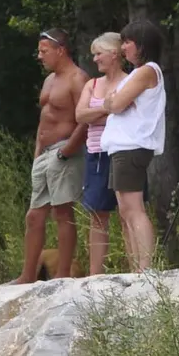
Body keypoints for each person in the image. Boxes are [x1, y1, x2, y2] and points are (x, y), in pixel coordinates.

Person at [18, 30, 89, 283]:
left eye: (44, 51)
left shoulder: (77, 78)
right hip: (44, 154)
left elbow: (86, 118)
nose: (40, 56)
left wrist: (68, 149)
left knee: (62, 212)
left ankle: (62, 275)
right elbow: (44, 117)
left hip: (64, 152)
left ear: (61, 50)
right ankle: (27, 276)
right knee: (34, 215)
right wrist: (38, 152)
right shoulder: (49, 80)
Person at [99, 20, 166, 273]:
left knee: (134, 209)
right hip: (121, 147)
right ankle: (136, 266)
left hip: (132, 146)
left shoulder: (146, 71)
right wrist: (113, 101)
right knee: (125, 210)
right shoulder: (141, 73)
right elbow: (114, 102)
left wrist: (112, 101)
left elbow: (115, 105)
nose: (123, 47)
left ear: (142, 44)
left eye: (128, 42)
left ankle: (145, 268)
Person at [75, 32, 128, 275]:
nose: (95, 59)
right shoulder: (92, 84)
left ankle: (135, 268)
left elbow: (128, 112)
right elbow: (80, 116)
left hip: (121, 151)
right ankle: (95, 274)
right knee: (97, 214)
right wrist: (108, 110)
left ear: (114, 54)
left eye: (99, 54)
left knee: (128, 211)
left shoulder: (130, 81)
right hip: (95, 152)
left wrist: (100, 112)